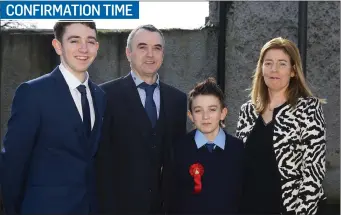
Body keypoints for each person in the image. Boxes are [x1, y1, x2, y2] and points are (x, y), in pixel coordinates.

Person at [1, 21, 106, 214]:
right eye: (74, 40)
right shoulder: (33, 93)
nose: (84, 48)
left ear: (97, 47)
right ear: (58, 46)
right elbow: (13, 162)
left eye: (90, 41)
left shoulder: (100, 96)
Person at [96, 24, 187, 214]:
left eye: (157, 48)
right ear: (128, 53)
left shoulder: (177, 100)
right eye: (142, 47)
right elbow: (100, 160)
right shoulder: (105, 95)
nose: (150, 54)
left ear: (163, 55)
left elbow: (175, 159)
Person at [236, 37, 326, 215]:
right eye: (268, 63)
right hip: (248, 207)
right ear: (261, 69)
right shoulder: (247, 111)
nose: (274, 69)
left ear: (293, 71)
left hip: (289, 209)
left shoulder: (309, 109)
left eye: (282, 63)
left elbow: (314, 172)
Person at [169, 78, 244, 214]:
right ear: (190, 116)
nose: (205, 117)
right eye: (198, 111)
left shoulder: (239, 149)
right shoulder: (179, 149)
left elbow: (245, 198)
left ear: (223, 113)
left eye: (212, 109)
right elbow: (172, 199)